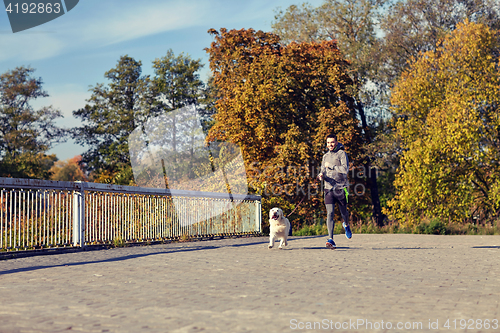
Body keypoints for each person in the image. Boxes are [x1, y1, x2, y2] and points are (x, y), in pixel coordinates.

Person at [317, 133, 352, 249]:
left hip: (340, 188)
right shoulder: (325, 156)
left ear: (336, 142)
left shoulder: (341, 154)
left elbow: (345, 169)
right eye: (328, 143)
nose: (330, 144)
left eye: (332, 142)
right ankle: (331, 239)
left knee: (343, 213)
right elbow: (323, 169)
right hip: (328, 188)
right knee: (330, 213)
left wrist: (331, 166)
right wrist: (321, 175)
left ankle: (346, 224)